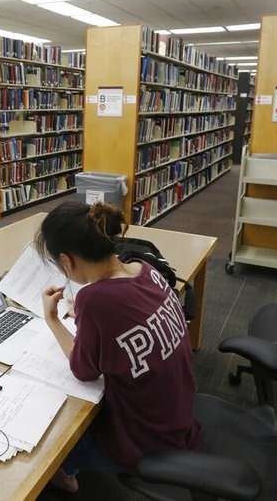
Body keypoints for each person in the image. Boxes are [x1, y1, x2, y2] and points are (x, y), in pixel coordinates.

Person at [36, 201, 202, 494]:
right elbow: (127, 313)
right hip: (178, 415)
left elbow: (82, 370)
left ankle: (67, 475)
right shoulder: (145, 268)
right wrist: (91, 316)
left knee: (50, 440)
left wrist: (52, 319)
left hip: (146, 441)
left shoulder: (96, 301)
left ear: (66, 260)